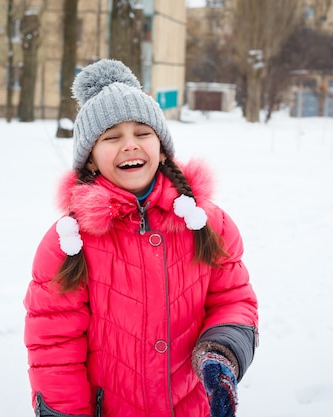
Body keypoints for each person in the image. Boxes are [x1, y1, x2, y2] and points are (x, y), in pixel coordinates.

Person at [23, 59, 259, 417]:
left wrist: (221, 352)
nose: (130, 145)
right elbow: (54, 347)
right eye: (112, 137)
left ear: (162, 148)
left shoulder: (205, 223)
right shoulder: (70, 242)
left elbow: (233, 298)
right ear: (89, 159)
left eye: (143, 133)